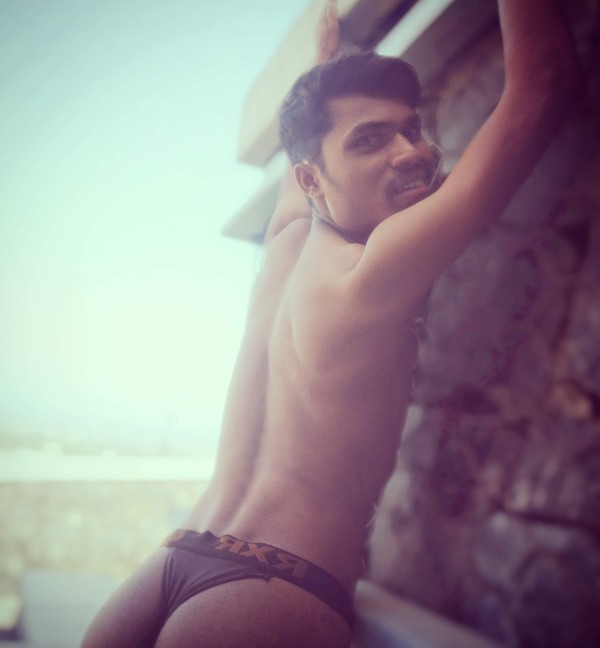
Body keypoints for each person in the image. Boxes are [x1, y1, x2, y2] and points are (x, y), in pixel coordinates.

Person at [82, 1, 581, 646]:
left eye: (412, 129)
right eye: (369, 140)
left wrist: (320, 63)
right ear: (314, 180)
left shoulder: (284, 241)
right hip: (276, 581)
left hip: (172, 559)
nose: (411, 152)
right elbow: (544, 86)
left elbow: (306, 154)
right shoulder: (372, 268)